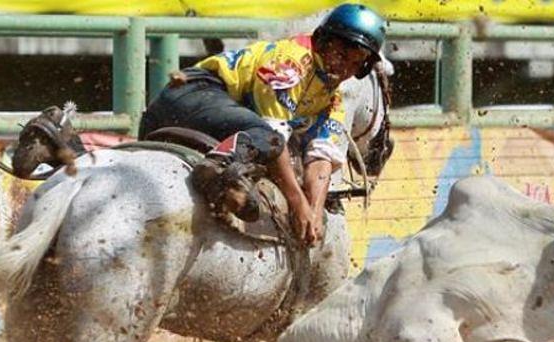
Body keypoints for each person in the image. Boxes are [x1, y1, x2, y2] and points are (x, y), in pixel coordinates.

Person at [139, 3, 387, 247]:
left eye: (356, 64)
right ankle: (218, 167)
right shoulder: (289, 62)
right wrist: (297, 203)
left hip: (199, 115)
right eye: (342, 55)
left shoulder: (334, 98)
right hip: (189, 96)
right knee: (270, 139)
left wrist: (313, 213)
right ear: (324, 41)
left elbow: (321, 160)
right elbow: (273, 138)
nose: (345, 68)